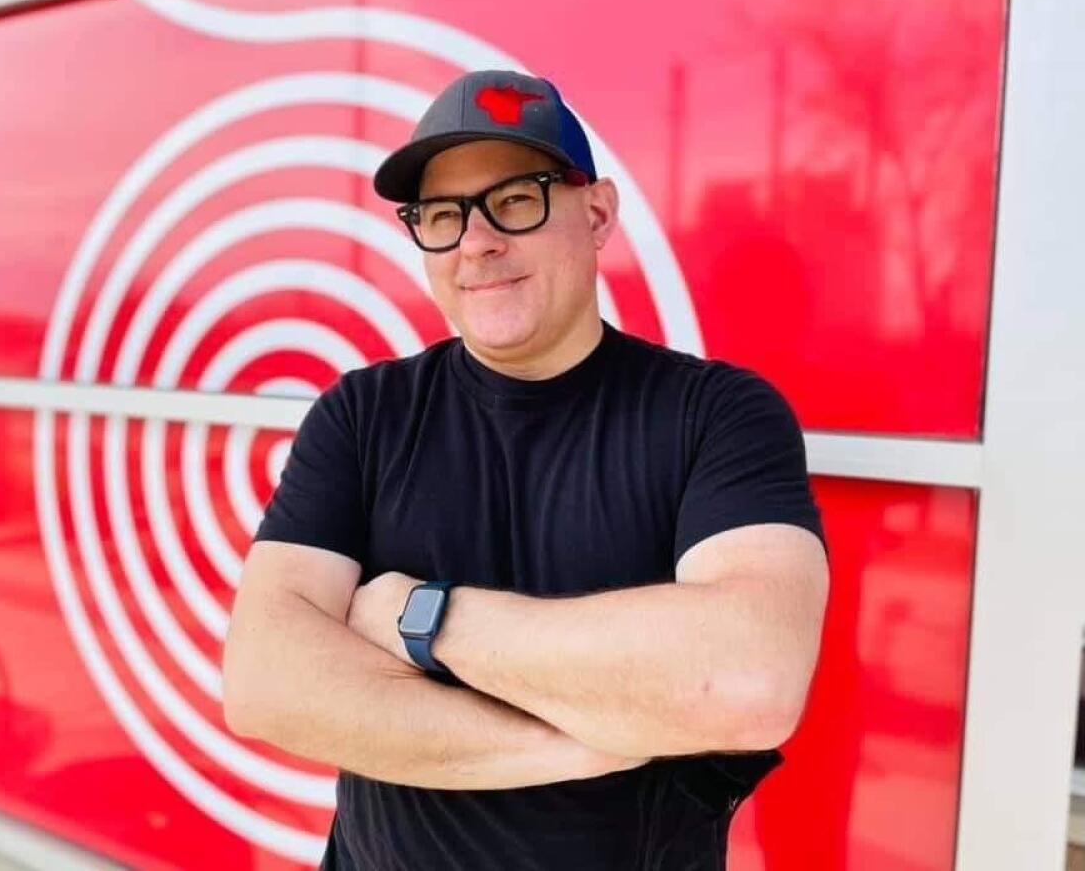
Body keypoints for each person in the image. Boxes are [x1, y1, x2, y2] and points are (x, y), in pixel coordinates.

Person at [223, 69, 830, 870]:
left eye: (515, 199)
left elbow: (748, 681)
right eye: (443, 215)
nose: (476, 241)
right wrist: (589, 737)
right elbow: (266, 682)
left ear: (597, 211)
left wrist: (420, 617)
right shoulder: (364, 416)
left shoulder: (714, 415)